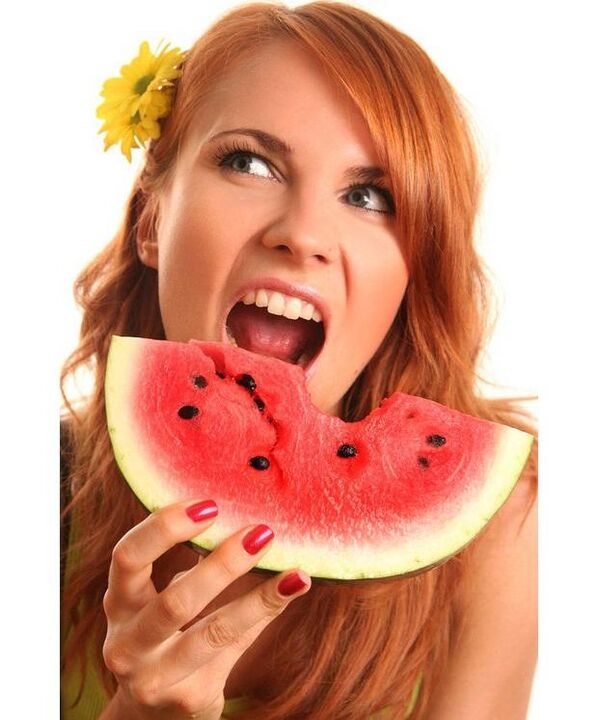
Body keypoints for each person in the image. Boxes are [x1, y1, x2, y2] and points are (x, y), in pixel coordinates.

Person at [60, 2, 538, 719]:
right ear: (151, 220)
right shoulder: (38, 491)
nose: (304, 234)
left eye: (371, 195)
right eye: (249, 163)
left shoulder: (501, 528)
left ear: (416, 267)